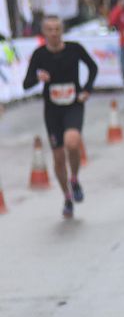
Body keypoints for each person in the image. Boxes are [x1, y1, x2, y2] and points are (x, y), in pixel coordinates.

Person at [22, 15, 98, 219]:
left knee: (72, 143)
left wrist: (87, 89)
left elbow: (93, 67)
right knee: (57, 157)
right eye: (50, 29)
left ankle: (74, 178)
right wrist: (38, 78)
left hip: (73, 104)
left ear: (62, 30)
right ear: (44, 33)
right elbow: (26, 84)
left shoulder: (74, 49)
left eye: (57, 29)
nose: (54, 33)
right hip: (52, 110)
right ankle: (67, 196)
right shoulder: (39, 54)